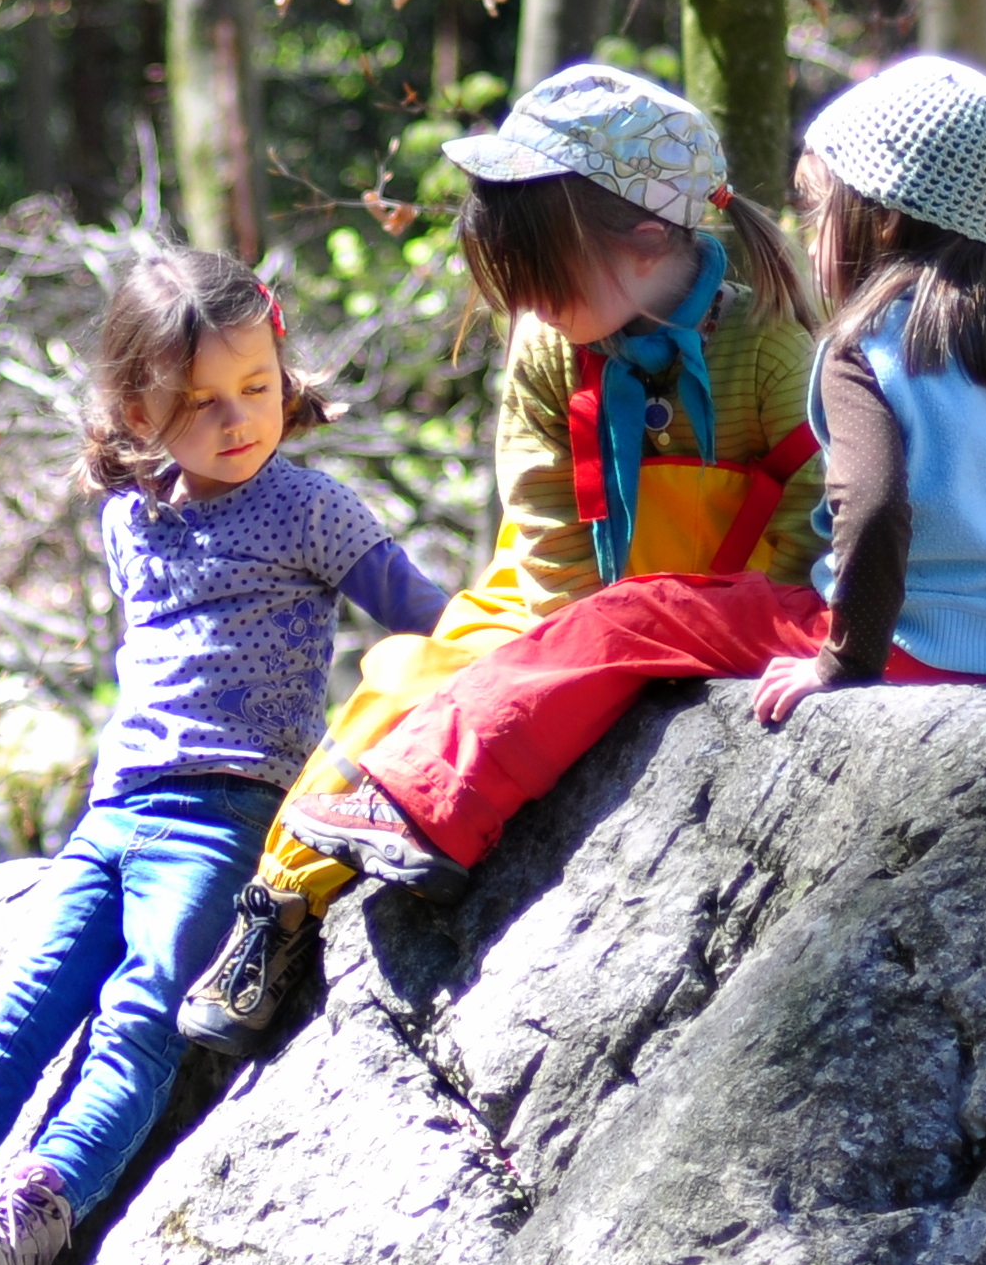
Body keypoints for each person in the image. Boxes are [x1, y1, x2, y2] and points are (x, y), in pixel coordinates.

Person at [284, 56, 986, 888]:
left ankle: (426, 807)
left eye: (822, 211)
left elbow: (872, 509)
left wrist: (842, 664)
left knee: (629, 616)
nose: (813, 237)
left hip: (900, 653)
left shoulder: (864, 348)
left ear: (884, 219)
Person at [0, 248, 449, 1265]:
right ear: (135, 411)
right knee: (25, 1008)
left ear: (283, 372)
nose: (236, 420)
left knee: (142, 1009)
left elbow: (429, 620)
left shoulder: (314, 512)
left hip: (226, 811)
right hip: (113, 812)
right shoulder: (129, 517)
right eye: (197, 405)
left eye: (255, 388)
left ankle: (30, 1210)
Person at [177, 63, 824, 1054]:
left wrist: (673, 646)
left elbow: (814, 515)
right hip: (561, 601)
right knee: (407, 682)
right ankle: (278, 903)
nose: (520, 303)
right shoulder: (543, 343)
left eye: (540, 277)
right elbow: (545, 519)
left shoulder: (774, 347)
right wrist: (569, 639)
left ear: (648, 240)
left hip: (720, 610)